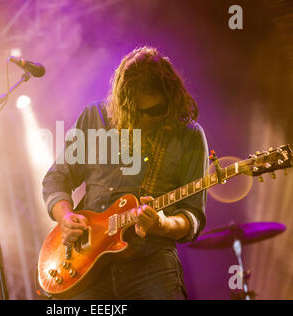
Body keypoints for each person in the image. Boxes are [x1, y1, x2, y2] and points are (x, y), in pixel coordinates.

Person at [42, 46, 208, 300]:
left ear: (171, 98)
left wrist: (162, 224)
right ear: (124, 106)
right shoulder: (94, 117)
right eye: (140, 112)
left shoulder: (189, 135)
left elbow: (192, 216)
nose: (149, 118)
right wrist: (65, 217)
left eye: (157, 109)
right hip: (86, 265)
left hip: (151, 263)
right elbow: (57, 178)